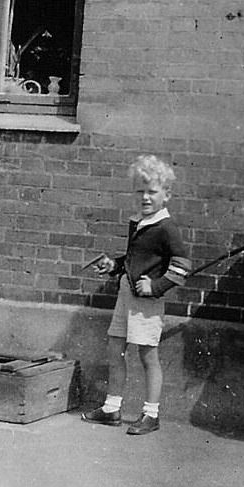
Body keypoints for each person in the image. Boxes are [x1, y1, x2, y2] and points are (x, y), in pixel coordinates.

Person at [82, 155, 191, 435]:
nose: (145, 197)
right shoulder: (139, 222)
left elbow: (182, 266)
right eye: (140, 191)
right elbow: (134, 259)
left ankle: (151, 414)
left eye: (152, 192)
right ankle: (111, 408)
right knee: (115, 349)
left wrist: (154, 287)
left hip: (146, 302)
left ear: (166, 195)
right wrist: (114, 266)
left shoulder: (166, 228)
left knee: (147, 356)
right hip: (126, 297)